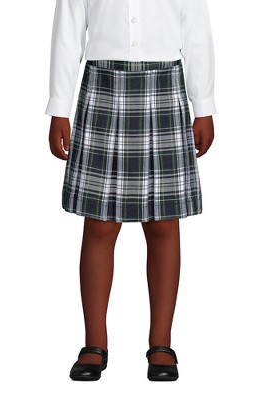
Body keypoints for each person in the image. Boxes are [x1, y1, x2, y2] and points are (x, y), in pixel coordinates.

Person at [45, 0, 217, 381]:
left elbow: (196, 28)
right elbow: (68, 29)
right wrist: (59, 105)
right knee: (100, 224)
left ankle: (161, 343)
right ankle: (94, 342)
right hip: (102, 88)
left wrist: (203, 104)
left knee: (163, 223)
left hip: (165, 86)